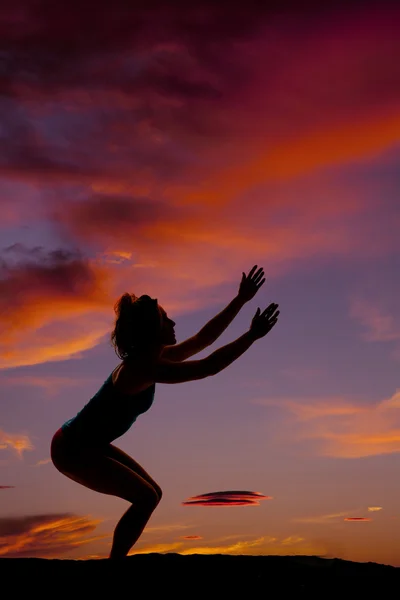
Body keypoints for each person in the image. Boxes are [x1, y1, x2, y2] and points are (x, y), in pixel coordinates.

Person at [50, 265, 279, 559]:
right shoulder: (142, 368)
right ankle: (114, 565)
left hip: (85, 443)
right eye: (164, 319)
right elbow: (207, 367)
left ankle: (115, 562)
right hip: (71, 449)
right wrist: (251, 336)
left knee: (153, 494)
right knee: (145, 498)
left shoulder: (152, 359)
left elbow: (201, 341)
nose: (172, 322)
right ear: (151, 332)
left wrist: (240, 300)